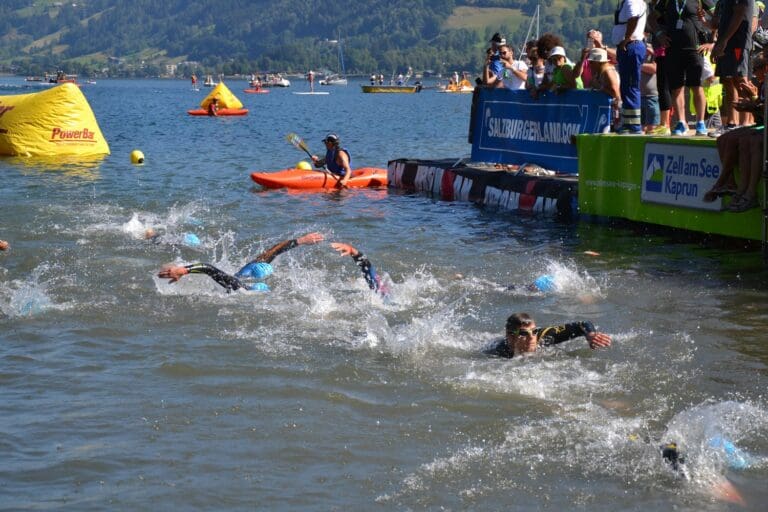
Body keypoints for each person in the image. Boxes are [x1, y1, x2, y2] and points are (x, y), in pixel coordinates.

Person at [157, 232, 324, 292]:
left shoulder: (246, 273)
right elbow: (209, 269)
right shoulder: (239, 286)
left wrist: (302, 240)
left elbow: (274, 251)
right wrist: (183, 270)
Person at [654, 0, 715, 136]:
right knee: (677, 88)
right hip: (673, 50)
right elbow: (652, 17)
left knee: (696, 86)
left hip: (695, 49)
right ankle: (682, 122)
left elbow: (718, 17)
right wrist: (659, 34)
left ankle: (700, 123)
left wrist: (712, 42)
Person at [710, 0, 755, 136]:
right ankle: (732, 124)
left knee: (740, 81)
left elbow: (740, 13)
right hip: (725, 42)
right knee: (727, 81)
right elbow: (716, 24)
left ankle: (747, 124)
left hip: (737, 42)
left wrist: (724, 40)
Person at [485, 312, 612, 358]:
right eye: (524, 333)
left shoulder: (544, 336)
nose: (531, 337)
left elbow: (582, 324)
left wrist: (591, 335)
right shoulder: (498, 352)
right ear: (510, 336)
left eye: (534, 331)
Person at [613, 0, 649, 134]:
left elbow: (633, 18)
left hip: (630, 46)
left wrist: (626, 39)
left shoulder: (631, 1)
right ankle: (629, 123)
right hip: (630, 46)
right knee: (627, 86)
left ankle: (634, 126)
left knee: (630, 85)